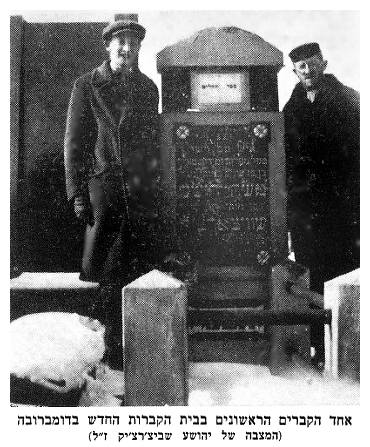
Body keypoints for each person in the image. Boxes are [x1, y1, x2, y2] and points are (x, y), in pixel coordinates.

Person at [64, 18, 160, 286]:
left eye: (133, 43)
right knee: (96, 271)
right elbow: (73, 143)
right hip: (103, 191)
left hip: (139, 193)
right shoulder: (86, 85)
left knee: (138, 274)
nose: (127, 49)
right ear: (108, 46)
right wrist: (78, 195)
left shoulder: (148, 89)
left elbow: (151, 145)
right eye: (121, 42)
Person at [283, 42, 359, 294]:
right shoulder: (291, 109)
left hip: (342, 206)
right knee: (309, 271)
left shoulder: (350, 100)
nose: (308, 70)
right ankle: (315, 331)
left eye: (314, 64)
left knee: (342, 273)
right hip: (304, 208)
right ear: (295, 72)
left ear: (324, 65)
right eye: (302, 66)